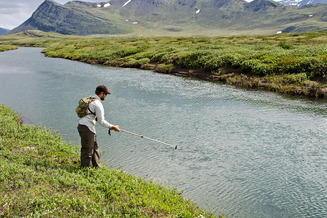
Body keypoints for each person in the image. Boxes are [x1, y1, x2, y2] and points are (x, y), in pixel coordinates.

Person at [77, 85, 120, 169]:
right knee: (87, 149)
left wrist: (111, 127)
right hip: (86, 128)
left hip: (84, 126)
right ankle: (85, 169)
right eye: (106, 94)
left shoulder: (90, 98)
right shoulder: (97, 104)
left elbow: (94, 116)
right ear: (101, 93)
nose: (106, 96)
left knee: (95, 148)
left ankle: (97, 167)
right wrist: (113, 127)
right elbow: (101, 121)